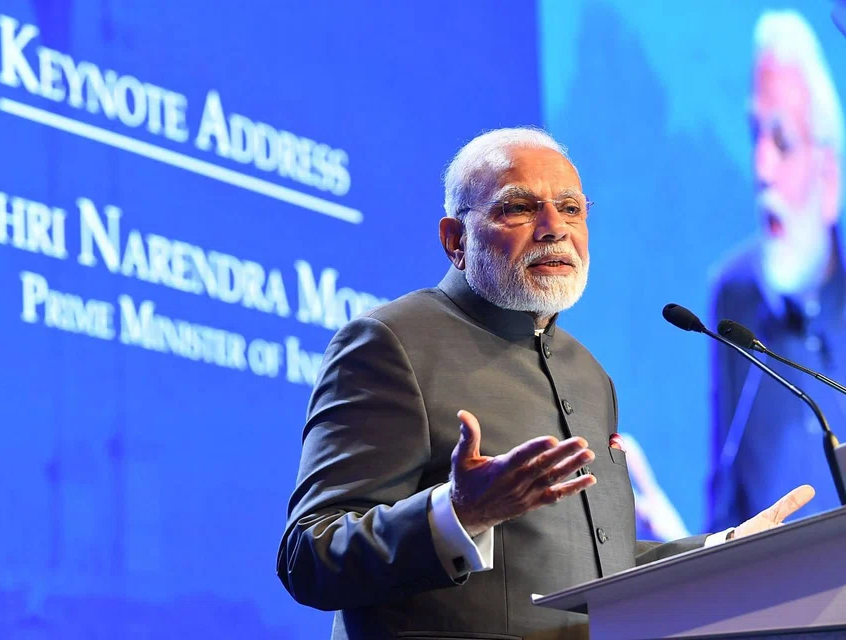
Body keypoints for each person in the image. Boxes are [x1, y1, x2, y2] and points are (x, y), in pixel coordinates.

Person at [278, 127, 813, 640]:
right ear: (455, 240)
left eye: (571, 208)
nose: (554, 227)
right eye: (518, 207)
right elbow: (309, 553)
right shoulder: (390, 342)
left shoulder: (590, 374)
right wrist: (459, 513)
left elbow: (601, 564)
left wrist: (726, 550)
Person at [709, 10, 845, 532]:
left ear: (829, 175)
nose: (761, 169)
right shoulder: (735, 295)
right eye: (755, 137)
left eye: (783, 141)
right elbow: (726, 505)